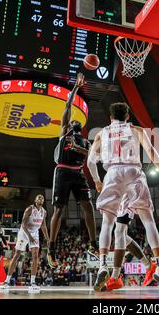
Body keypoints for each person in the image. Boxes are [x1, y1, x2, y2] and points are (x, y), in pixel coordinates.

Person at [87, 102, 159, 292]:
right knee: (148, 220)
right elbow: (152, 152)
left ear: (110, 118)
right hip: (133, 172)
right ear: (127, 116)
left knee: (107, 223)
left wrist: (97, 181)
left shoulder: (101, 133)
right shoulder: (136, 129)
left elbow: (90, 162)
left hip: (112, 173)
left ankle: (103, 266)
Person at [48, 73, 97, 268]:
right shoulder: (64, 132)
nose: (73, 122)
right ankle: (51, 249)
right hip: (62, 172)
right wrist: (76, 88)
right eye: (71, 121)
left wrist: (78, 149)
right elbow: (68, 106)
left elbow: (92, 155)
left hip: (78, 173)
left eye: (76, 122)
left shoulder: (85, 140)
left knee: (88, 206)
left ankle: (93, 243)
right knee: (59, 210)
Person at [0, 194, 49, 293]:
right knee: (17, 254)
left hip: (35, 233)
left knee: (35, 256)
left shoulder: (44, 212)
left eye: (42, 198)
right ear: (35, 200)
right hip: (24, 232)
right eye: (39, 197)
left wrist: (48, 239)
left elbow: (43, 227)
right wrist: (29, 237)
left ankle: (32, 282)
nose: (41, 199)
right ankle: (6, 281)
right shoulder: (29, 209)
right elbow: (23, 224)